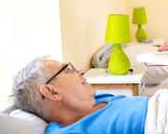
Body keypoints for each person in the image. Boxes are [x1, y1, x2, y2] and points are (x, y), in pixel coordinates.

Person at [11, 56, 149, 134]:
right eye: (67, 70)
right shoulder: (71, 131)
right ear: (52, 92)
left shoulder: (97, 99)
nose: (81, 70)